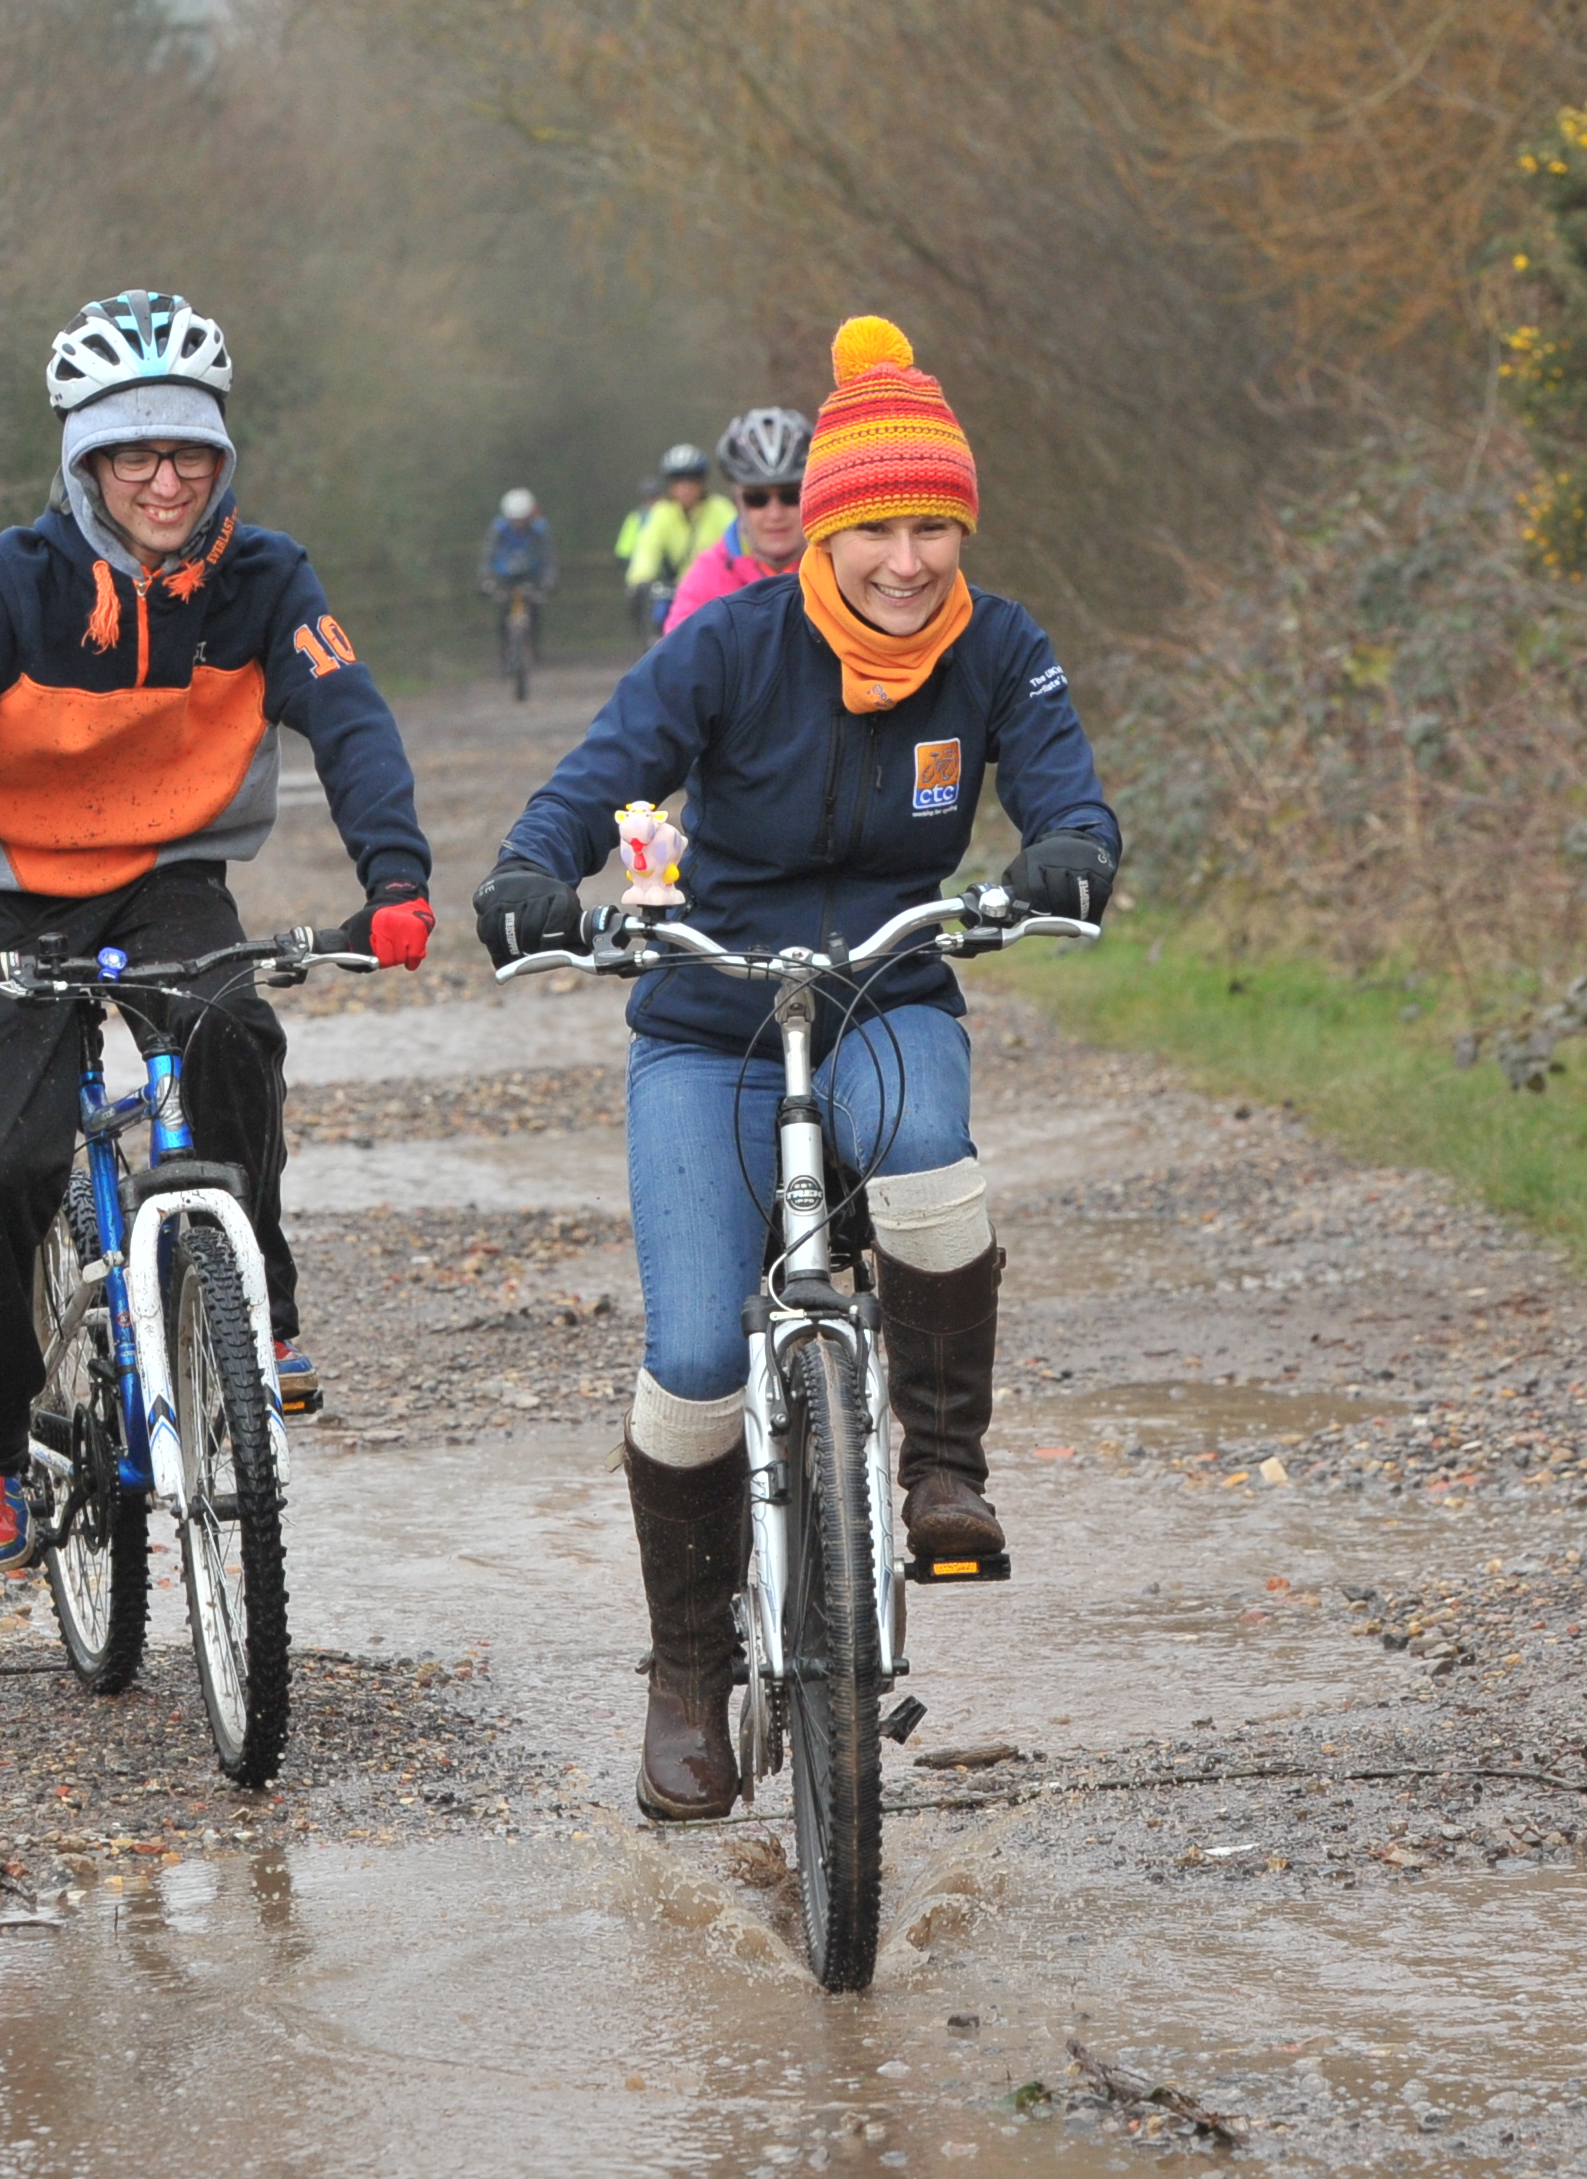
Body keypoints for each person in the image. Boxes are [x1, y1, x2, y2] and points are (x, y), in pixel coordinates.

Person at [474, 315, 1121, 1821]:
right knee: (697, 1355)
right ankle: (688, 1672)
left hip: (889, 985)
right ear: (821, 530)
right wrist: (530, 868)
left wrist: (1075, 852)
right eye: (880, 529)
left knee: (937, 1174)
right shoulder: (729, 647)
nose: (909, 561)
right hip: (711, 1019)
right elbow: (599, 776)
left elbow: (1066, 789)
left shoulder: (1001, 649)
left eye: (935, 529)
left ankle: (942, 1472)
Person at [0, 288, 436, 1572]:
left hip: (167, 876)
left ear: (222, 456)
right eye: (132, 453)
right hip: (1, 892)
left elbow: (350, 718)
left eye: (188, 451)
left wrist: (393, 878)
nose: (164, 480)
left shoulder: (264, 578)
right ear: (82, 460)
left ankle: (261, 1308)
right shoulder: (6, 585)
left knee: (233, 1032)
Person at [662, 406, 809, 630]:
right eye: (757, 499)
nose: (775, 513)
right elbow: (676, 661)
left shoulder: (842, 564)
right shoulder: (707, 577)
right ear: (737, 502)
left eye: (791, 496)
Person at [620, 442, 728, 640]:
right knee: (659, 626)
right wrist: (639, 580)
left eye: (691, 480)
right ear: (670, 485)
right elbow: (648, 548)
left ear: (702, 483)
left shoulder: (721, 510)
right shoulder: (662, 513)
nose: (685, 488)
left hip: (715, 591)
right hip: (676, 592)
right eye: (678, 481)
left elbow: (739, 548)